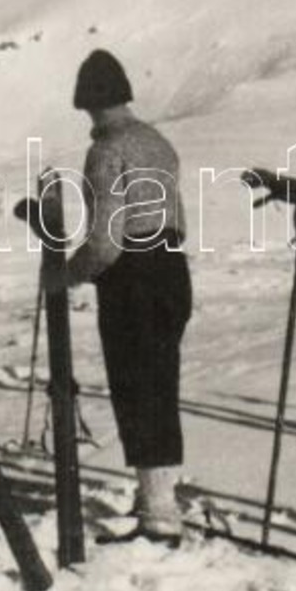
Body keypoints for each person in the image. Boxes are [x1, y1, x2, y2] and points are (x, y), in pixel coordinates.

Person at [49, 49, 192, 544]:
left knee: (137, 391)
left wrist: (67, 275)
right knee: (160, 384)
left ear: (91, 105)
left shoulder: (107, 151)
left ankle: (158, 514)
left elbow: (106, 242)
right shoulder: (158, 142)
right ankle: (157, 495)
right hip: (172, 270)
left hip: (134, 277)